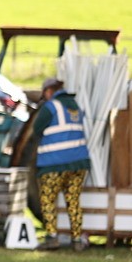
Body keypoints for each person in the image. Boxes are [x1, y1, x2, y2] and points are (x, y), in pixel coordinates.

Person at [34, 77, 91, 251]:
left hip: (54, 163)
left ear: (49, 91)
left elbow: (37, 129)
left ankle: (52, 238)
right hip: (79, 163)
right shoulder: (76, 107)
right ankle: (76, 240)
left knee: (48, 199)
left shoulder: (51, 107)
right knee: (73, 200)